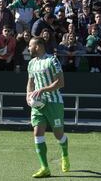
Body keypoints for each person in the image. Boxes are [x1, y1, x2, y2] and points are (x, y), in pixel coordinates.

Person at [26, 37, 70, 178]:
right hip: (38, 105)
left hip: (54, 103)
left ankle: (65, 154)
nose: (28, 48)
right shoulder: (31, 63)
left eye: (30, 45)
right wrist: (28, 95)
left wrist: (43, 90)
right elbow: (30, 82)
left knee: (59, 135)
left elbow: (61, 82)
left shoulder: (52, 60)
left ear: (38, 46)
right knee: (38, 133)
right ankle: (45, 167)